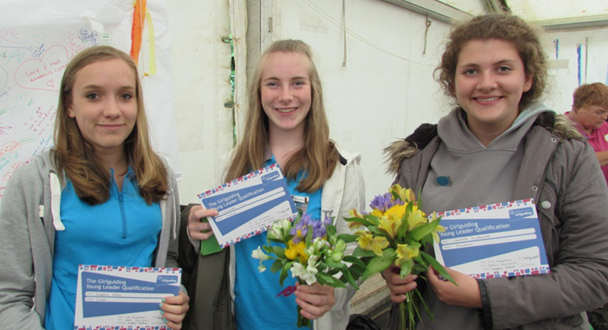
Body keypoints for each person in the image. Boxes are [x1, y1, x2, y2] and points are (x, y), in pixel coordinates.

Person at [383, 14, 608, 329]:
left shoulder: (567, 155)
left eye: (503, 68)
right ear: (452, 82)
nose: (486, 83)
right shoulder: (419, 155)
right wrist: (392, 270)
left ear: (528, 78)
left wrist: (486, 295)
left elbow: (595, 275)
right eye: (471, 71)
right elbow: (394, 244)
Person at [0, 45, 189, 329]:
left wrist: (176, 294)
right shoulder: (36, 183)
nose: (113, 110)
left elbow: (166, 257)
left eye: (125, 96)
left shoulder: (159, 174)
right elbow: (4, 297)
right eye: (93, 96)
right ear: (69, 105)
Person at [179, 39, 365, 330]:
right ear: (259, 92)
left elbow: (356, 256)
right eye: (273, 84)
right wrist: (196, 227)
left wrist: (336, 292)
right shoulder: (236, 164)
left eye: (298, 83)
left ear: (313, 90)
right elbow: (218, 242)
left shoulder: (341, 169)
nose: (286, 96)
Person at [565, 82, 608, 185]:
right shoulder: (562, 131)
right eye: (599, 112)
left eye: (607, 112)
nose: (605, 117)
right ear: (580, 107)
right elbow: (577, 163)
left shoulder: (604, 127)